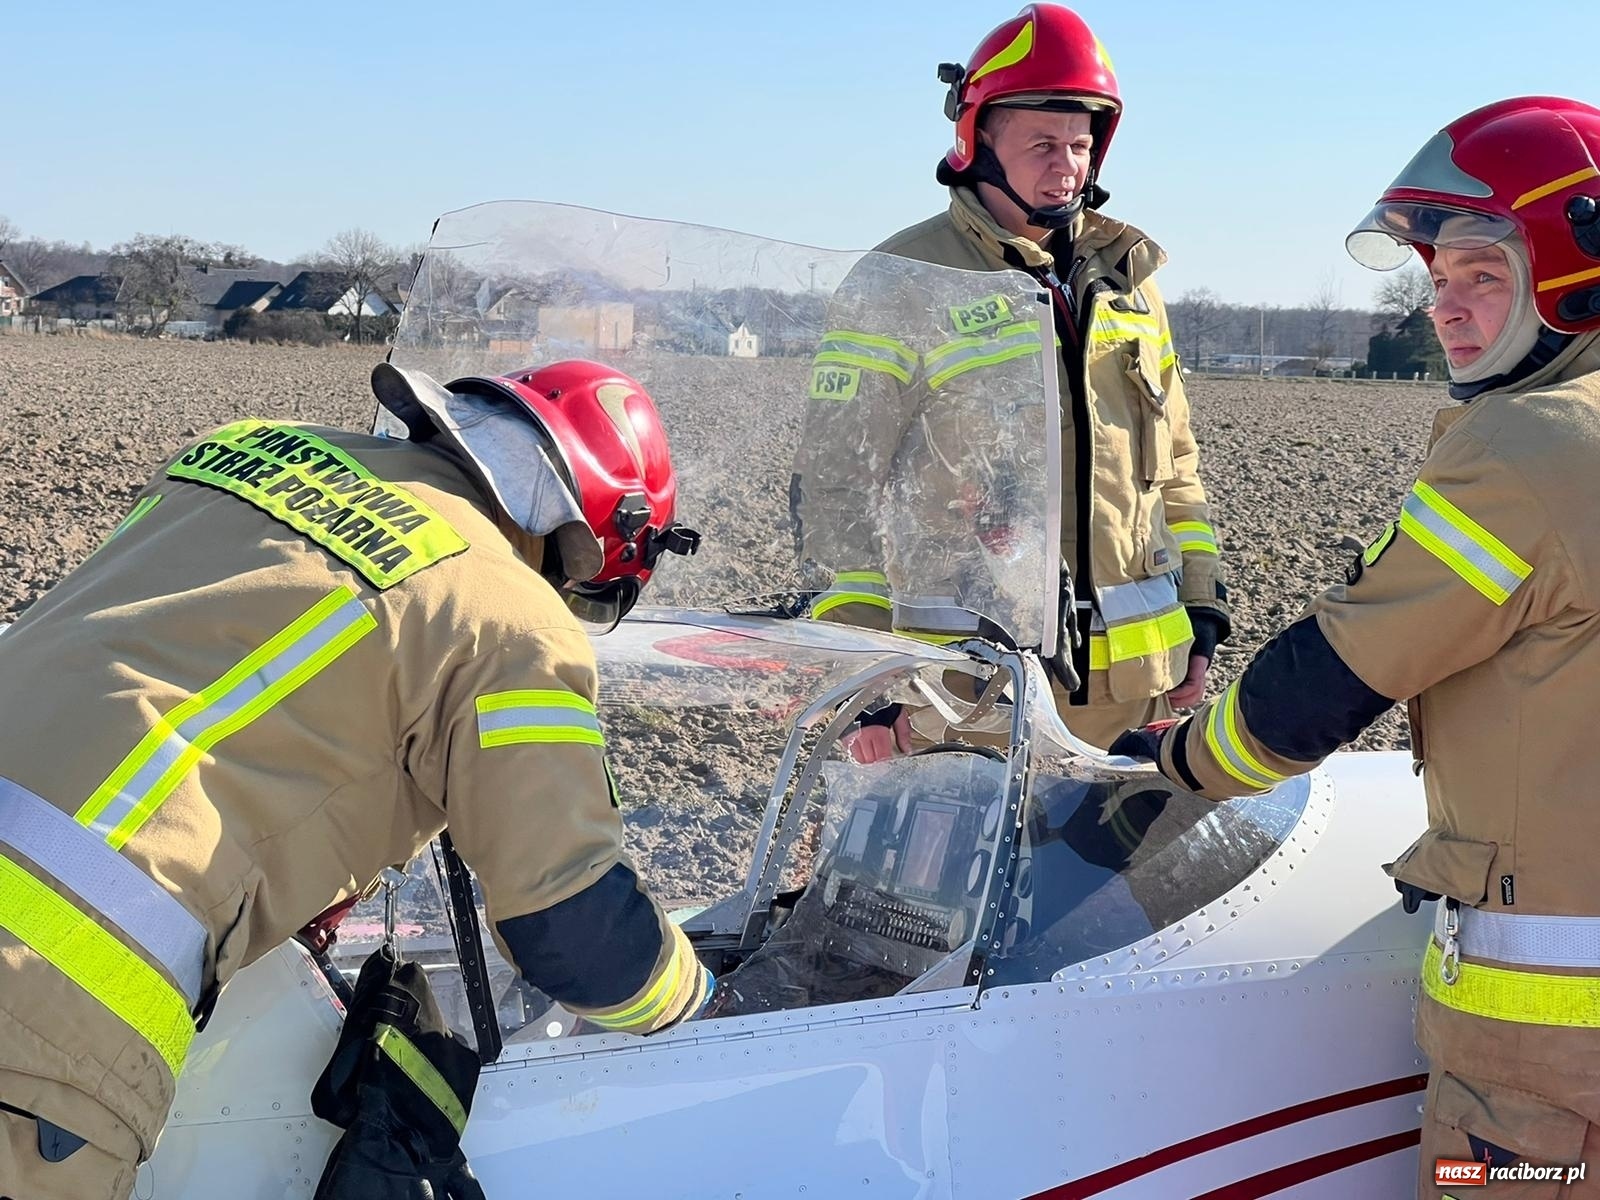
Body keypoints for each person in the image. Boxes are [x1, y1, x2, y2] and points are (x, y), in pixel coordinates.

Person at [0, 357, 710, 1200]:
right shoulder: (509, 615)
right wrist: (699, 1001)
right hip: (43, 988)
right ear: (603, 533)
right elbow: (571, 926)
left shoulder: (242, 453)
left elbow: (200, 692)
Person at [1114, 97, 1600, 1195]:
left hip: (1544, 1060)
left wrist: (1178, 764)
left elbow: (1327, 682)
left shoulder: (1528, 450)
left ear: (1573, 266)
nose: (1444, 308)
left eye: (1480, 273)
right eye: (1435, 280)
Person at [794, 3, 1229, 757]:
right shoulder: (901, 282)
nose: (1065, 163)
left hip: (1134, 699)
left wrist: (1200, 607)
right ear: (977, 138)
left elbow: (1175, 467)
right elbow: (837, 483)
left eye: (1079, 144)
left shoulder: (1130, 281)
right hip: (966, 700)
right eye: (1041, 143)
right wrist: (861, 677)